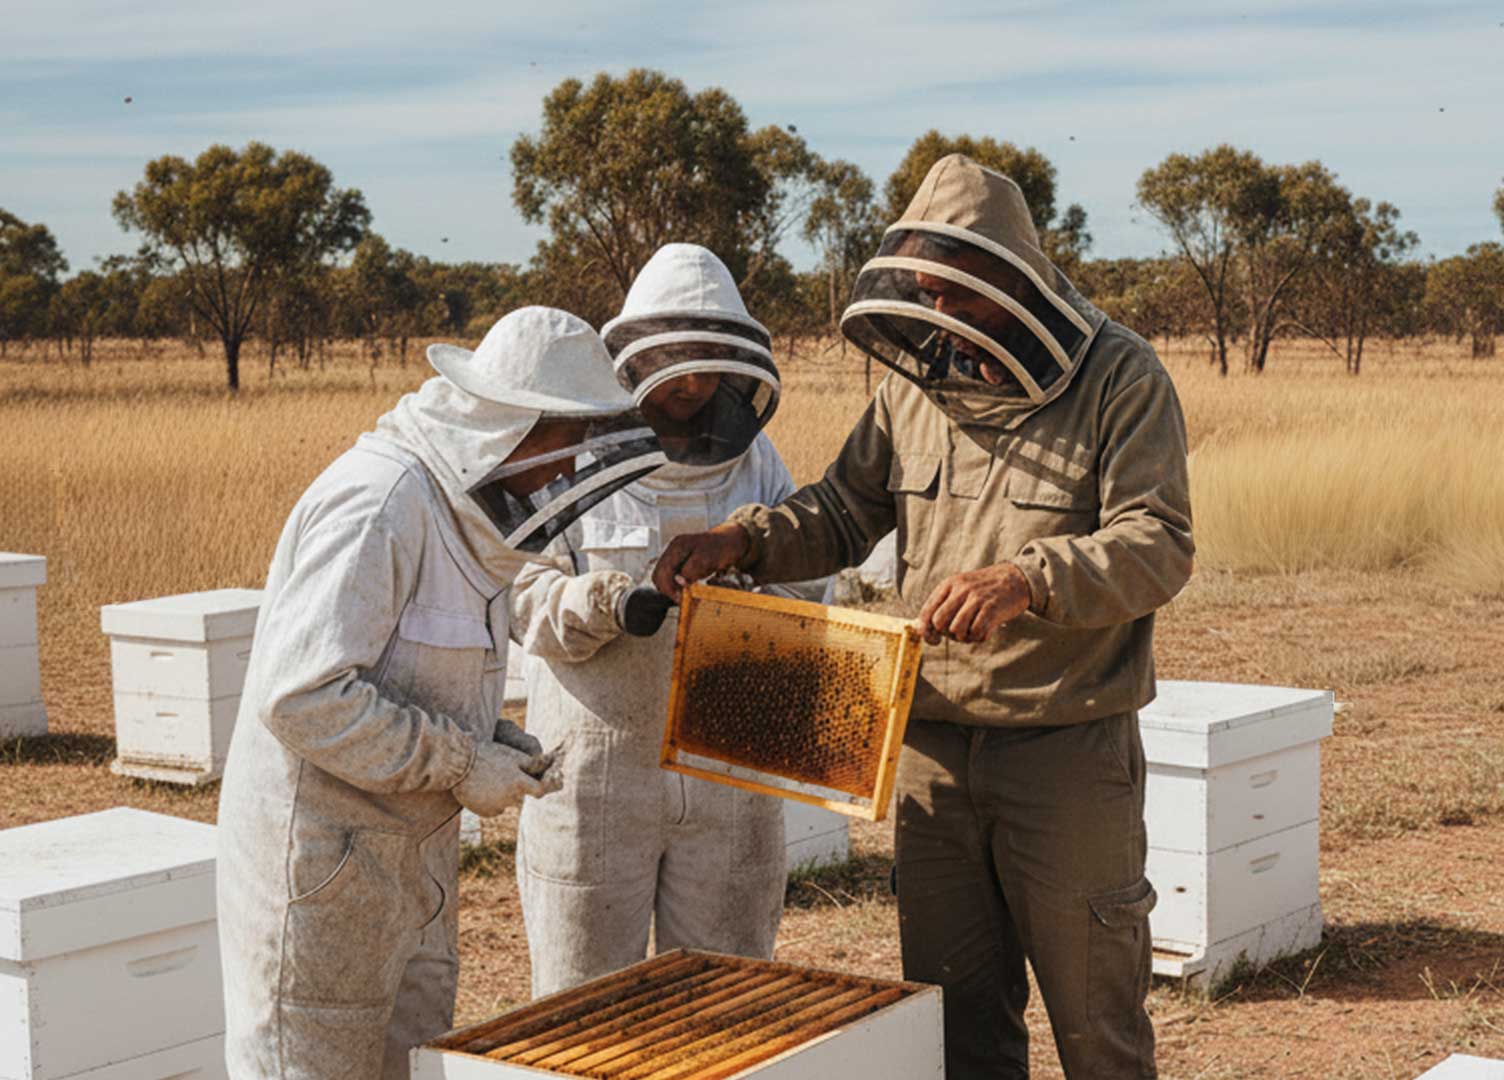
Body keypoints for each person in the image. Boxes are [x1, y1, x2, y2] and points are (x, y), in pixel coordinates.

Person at [652, 155, 1194, 1079]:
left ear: (1013, 279)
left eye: (964, 297)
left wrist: (1027, 578)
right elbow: (842, 510)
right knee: (955, 1024)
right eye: (929, 294)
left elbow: (1159, 543)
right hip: (931, 750)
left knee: (1098, 1027)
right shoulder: (913, 386)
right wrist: (741, 540)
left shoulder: (1120, 377)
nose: (945, 317)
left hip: (1064, 748)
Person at [217, 306, 669, 1080]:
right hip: (323, 873)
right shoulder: (381, 505)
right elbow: (302, 697)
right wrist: (461, 762)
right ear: (510, 424)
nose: (567, 472)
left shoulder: (469, 518)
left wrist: (489, 735)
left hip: (411, 866)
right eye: (564, 445)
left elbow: (406, 672)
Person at [513, 243, 824, 996]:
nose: (692, 381)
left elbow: (812, 585)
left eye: (710, 361)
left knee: (725, 1004)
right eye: (678, 359)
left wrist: (745, 598)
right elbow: (521, 592)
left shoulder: (756, 461)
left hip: (730, 765)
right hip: (594, 768)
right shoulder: (571, 449)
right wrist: (604, 603)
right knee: (582, 1009)